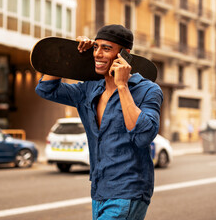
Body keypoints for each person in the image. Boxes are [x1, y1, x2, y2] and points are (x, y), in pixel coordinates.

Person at [35, 24, 163, 219]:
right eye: (96, 47)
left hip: (129, 190)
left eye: (106, 48)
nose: (98, 54)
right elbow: (47, 88)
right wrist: (72, 56)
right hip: (99, 189)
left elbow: (143, 135)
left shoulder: (148, 90)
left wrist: (122, 86)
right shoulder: (89, 89)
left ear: (125, 54)